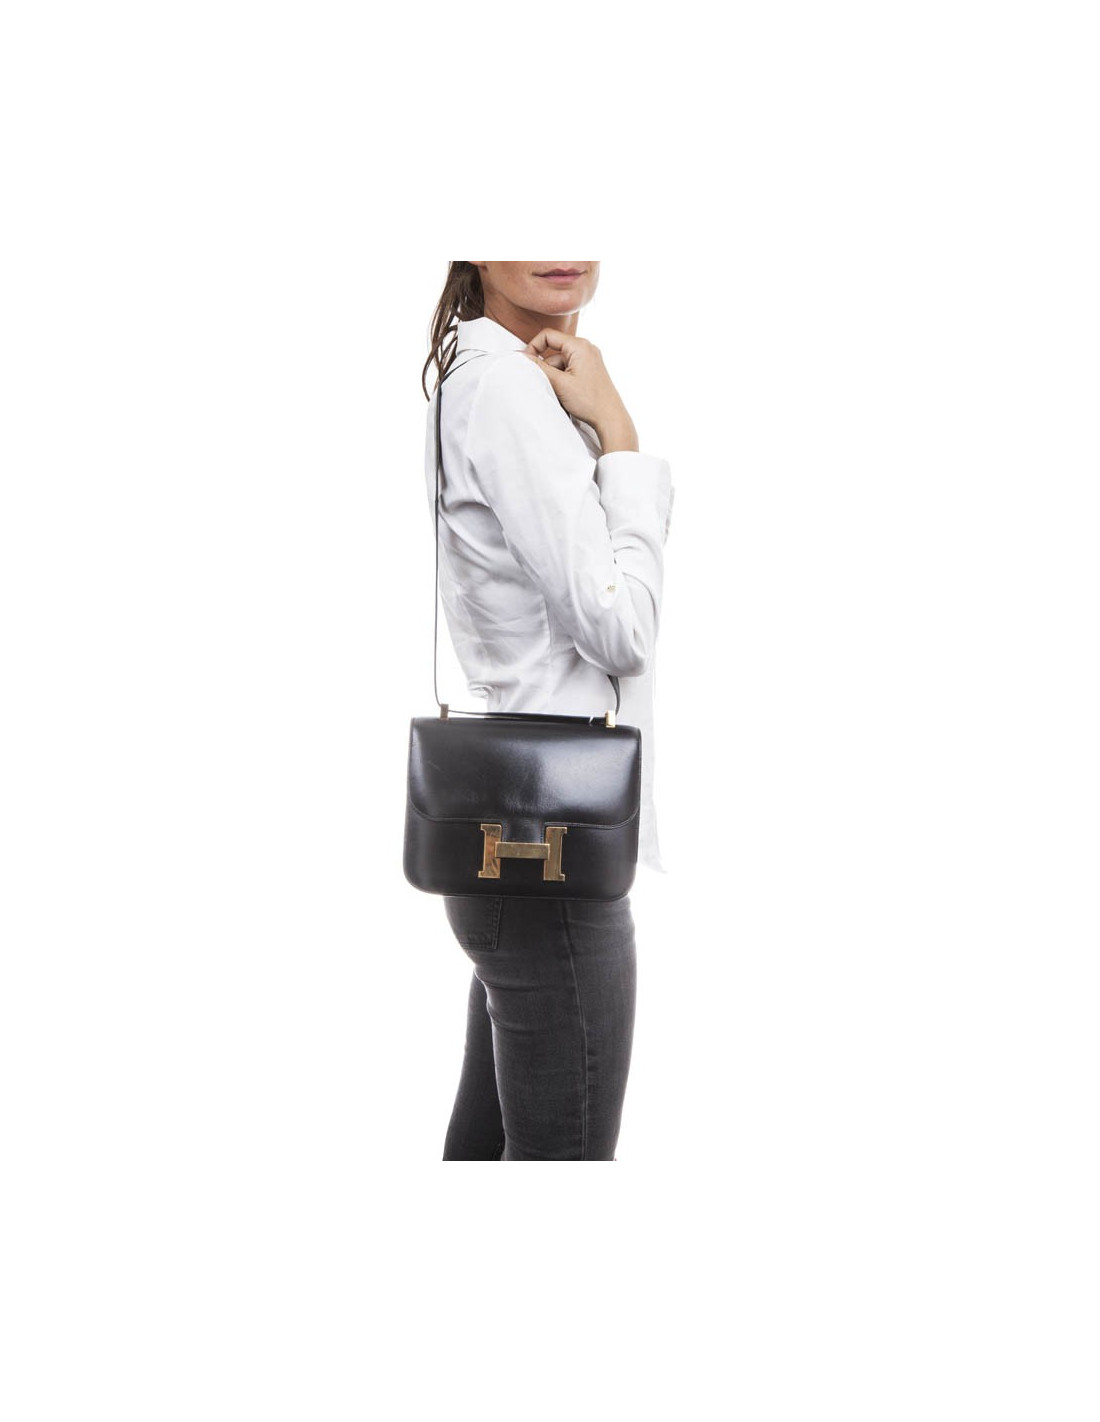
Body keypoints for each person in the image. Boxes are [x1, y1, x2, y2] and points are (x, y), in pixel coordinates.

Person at [421, 262, 675, 1160]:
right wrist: (619, 434)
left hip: (521, 835)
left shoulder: (480, 372)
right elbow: (621, 629)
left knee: (492, 1151)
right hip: (552, 856)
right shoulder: (506, 390)